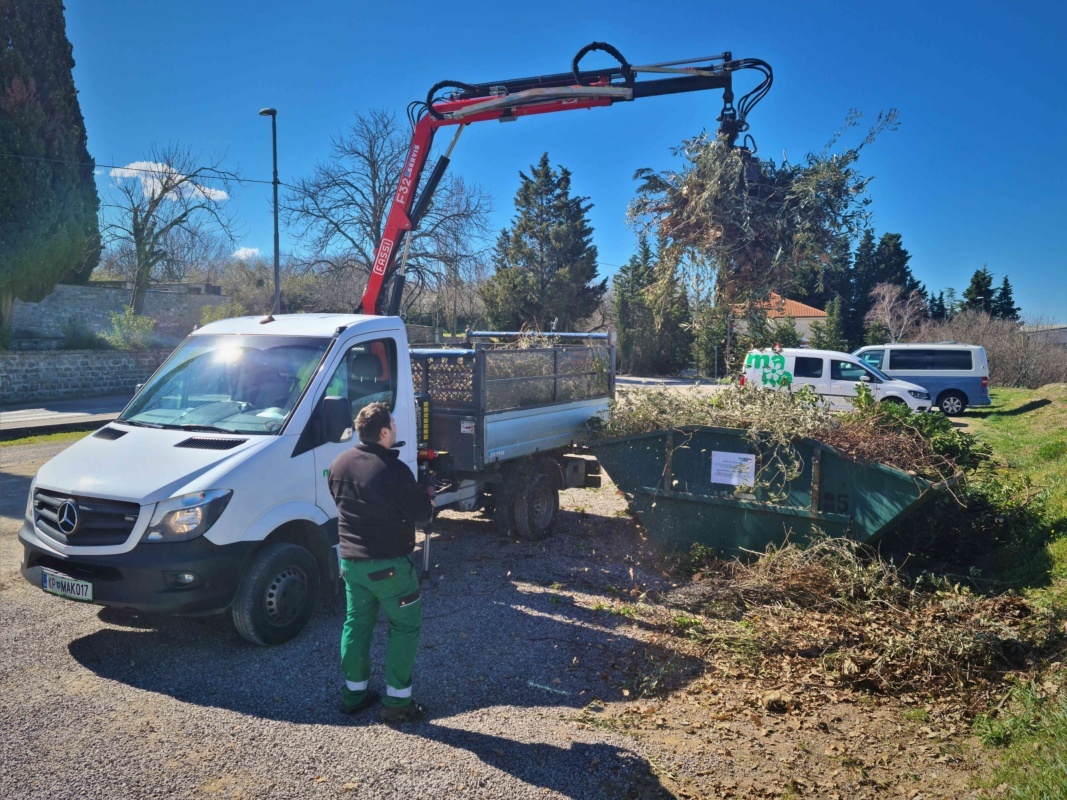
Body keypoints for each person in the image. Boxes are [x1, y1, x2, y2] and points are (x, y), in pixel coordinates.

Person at [328, 402, 434, 723]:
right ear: (385, 432)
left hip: (351, 564)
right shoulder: (393, 471)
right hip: (389, 568)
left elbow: (343, 503)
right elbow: (422, 514)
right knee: (404, 627)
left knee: (356, 625)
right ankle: (398, 704)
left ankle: (354, 695)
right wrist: (427, 498)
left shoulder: (340, 464)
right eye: (394, 425)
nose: (396, 430)